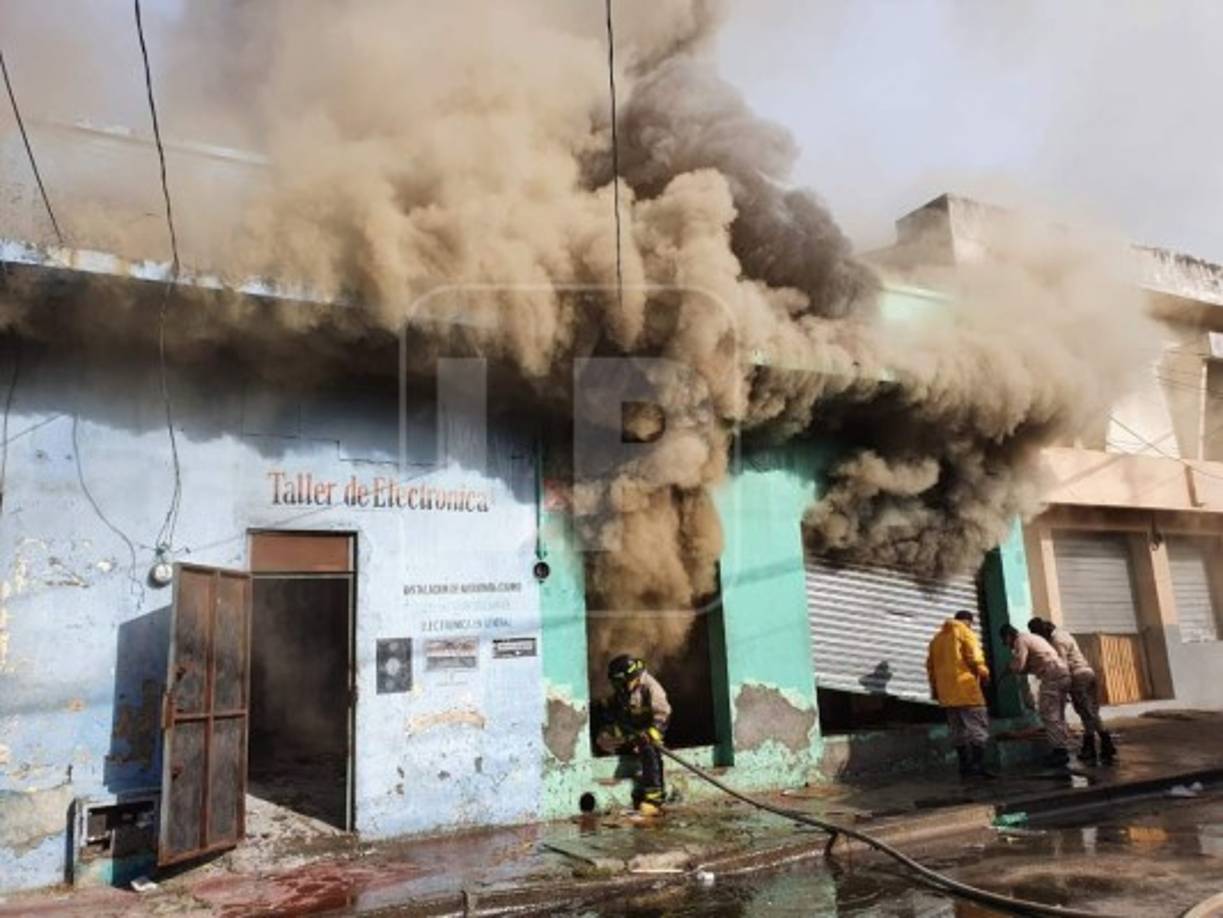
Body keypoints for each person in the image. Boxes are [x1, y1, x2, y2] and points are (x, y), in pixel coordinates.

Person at [1028, 618, 1117, 764]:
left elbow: (1062, 667)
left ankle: (1105, 744)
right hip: (1088, 673)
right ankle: (1095, 748)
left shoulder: (1057, 641)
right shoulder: (1064, 634)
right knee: (1090, 713)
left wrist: (1063, 689)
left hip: (1078, 677)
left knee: (1087, 713)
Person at [598, 655, 671, 814]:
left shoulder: (651, 688)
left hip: (650, 731)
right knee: (605, 739)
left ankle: (654, 798)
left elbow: (663, 715)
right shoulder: (624, 688)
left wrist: (651, 733)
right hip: (632, 730)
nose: (618, 686)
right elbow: (618, 712)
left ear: (632, 677)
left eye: (620, 682)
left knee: (650, 750)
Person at [926, 610, 994, 779]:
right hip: (967, 691)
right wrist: (984, 674)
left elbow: (930, 669)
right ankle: (977, 767)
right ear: (969, 621)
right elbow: (975, 657)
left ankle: (964, 767)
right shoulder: (965, 632)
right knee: (978, 729)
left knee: (958, 732)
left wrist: (936, 691)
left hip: (947, 696)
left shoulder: (936, 640)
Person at [1000, 623, 1072, 767]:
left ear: (1009, 635)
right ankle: (1061, 749)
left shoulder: (1020, 640)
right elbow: (1031, 664)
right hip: (1062, 673)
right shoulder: (1031, 638)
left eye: (1005, 640)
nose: (1008, 645)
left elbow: (1020, 664)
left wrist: (1009, 668)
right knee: (1058, 714)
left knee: (1048, 714)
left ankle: (1060, 752)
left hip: (1052, 674)